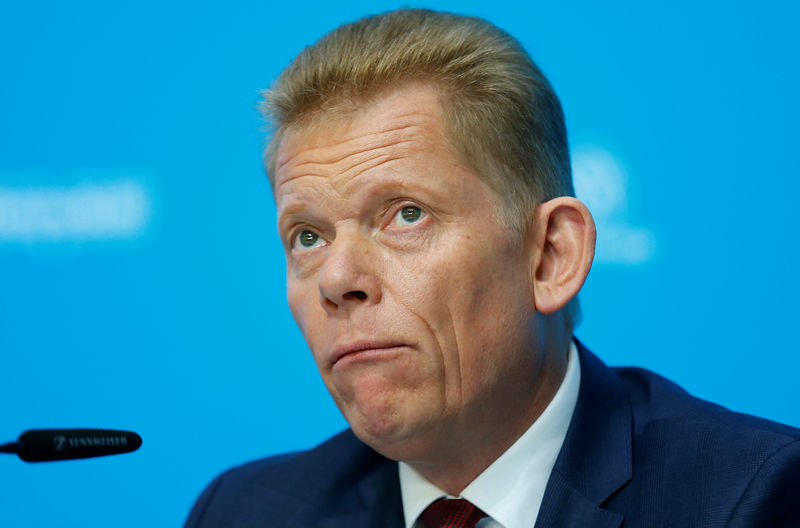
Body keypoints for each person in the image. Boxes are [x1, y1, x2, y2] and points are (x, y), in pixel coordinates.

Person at [185, 8, 800, 528]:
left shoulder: (750, 497)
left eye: (405, 215)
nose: (336, 279)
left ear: (550, 255)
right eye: (308, 235)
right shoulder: (244, 511)